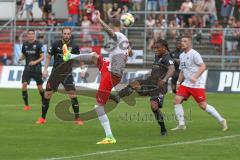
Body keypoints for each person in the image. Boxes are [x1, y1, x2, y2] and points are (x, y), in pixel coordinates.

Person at [63, 10, 132, 144]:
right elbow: (129, 52)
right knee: (94, 55)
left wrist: (100, 20)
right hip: (110, 69)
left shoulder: (117, 35)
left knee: (98, 106)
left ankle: (110, 136)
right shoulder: (125, 39)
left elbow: (110, 32)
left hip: (112, 74)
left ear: (114, 27)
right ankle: (69, 56)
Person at [111, 39, 175, 136]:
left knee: (154, 107)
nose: (155, 49)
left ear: (164, 48)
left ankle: (163, 128)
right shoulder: (158, 55)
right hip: (150, 81)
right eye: (155, 47)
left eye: (157, 48)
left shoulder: (167, 57)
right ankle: (117, 97)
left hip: (159, 86)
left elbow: (172, 69)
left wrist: (165, 79)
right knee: (134, 84)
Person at [171, 36, 228, 131]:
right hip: (186, 83)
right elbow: (182, 70)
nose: (182, 43)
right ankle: (181, 125)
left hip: (197, 84)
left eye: (185, 41)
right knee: (177, 100)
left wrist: (195, 77)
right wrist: (178, 82)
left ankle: (221, 120)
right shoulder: (181, 55)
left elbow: (203, 66)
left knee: (203, 105)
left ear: (190, 43)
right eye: (181, 41)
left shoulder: (194, 54)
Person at [36, 27, 83, 125]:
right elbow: (48, 56)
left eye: (68, 34)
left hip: (67, 74)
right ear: (62, 34)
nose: (66, 35)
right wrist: (45, 69)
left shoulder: (74, 46)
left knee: (72, 95)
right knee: (47, 95)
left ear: (70, 35)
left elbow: (79, 58)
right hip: (55, 74)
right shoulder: (55, 44)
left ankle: (77, 118)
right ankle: (42, 118)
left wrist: (83, 69)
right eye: (65, 33)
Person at [18, 30, 45, 110]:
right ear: (27, 36)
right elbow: (24, 55)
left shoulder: (38, 44)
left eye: (32, 34)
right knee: (24, 85)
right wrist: (20, 59)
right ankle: (26, 105)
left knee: (40, 87)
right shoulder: (25, 44)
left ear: (34, 35)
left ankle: (44, 100)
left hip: (37, 69)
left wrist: (35, 62)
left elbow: (42, 57)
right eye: (29, 34)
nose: (30, 35)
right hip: (27, 68)